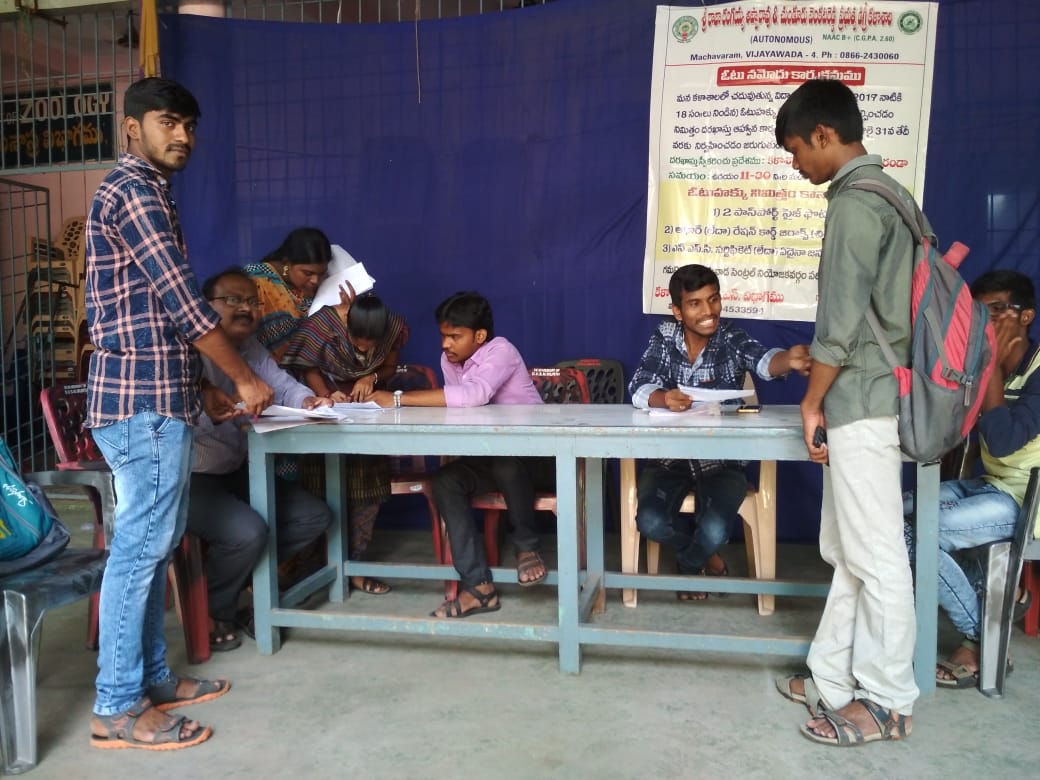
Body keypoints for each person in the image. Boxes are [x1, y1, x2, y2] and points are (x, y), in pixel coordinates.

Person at [84, 77, 273, 750]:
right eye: (168, 121)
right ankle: (116, 707)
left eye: (189, 125)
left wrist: (201, 390)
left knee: (154, 546)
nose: (183, 135)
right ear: (132, 127)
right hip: (140, 403)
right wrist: (243, 377)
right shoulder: (134, 191)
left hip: (158, 396)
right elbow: (185, 306)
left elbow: (153, 319)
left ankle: (155, 681)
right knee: (140, 552)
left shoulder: (151, 192)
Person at [772, 78, 919, 746]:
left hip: (860, 399)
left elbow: (839, 327)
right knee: (850, 550)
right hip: (872, 391)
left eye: (796, 149)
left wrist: (811, 400)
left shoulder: (857, 204)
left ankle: (887, 700)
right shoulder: (892, 195)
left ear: (824, 135)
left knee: (878, 556)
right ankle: (832, 677)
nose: (795, 163)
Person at [629, 263, 810, 599]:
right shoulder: (664, 337)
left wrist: (789, 359)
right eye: (695, 303)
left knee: (714, 530)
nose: (708, 311)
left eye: (713, 299)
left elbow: (763, 361)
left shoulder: (730, 336)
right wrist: (664, 398)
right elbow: (639, 386)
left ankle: (689, 565)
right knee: (650, 523)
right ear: (677, 311)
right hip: (669, 459)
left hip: (723, 462)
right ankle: (705, 557)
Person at [368, 291, 552, 618]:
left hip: (537, 456)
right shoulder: (450, 361)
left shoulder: (501, 350)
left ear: (479, 336)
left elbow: (473, 396)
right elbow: (457, 408)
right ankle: (478, 586)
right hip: (493, 454)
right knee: (445, 481)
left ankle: (527, 548)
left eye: (455, 336)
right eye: (443, 336)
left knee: (507, 464)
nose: (445, 344)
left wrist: (398, 398)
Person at [904, 270, 1039, 688]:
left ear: (1026, 316)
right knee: (896, 510)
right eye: (978, 314)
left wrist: (990, 364)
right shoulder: (979, 366)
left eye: (996, 311)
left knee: (919, 532)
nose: (986, 322)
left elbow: (1002, 441)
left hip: (1027, 501)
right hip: (991, 487)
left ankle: (982, 636)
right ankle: (997, 605)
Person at [189, 269, 334, 650]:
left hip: (233, 470)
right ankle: (214, 609)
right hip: (189, 475)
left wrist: (308, 401)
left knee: (314, 516)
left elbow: (281, 385)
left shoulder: (250, 346)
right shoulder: (188, 350)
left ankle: (242, 583)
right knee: (248, 533)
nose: (246, 309)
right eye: (233, 301)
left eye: (252, 302)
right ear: (205, 306)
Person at [279, 293, 409, 593]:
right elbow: (307, 366)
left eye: (370, 344)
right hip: (326, 411)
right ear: (346, 326)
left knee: (366, 487)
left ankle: (354, 566)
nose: (362, 348)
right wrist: (326, 395)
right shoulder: (322, 325)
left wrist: (370, 377)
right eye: (356, 340)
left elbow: (390, 367)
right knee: (320, 486)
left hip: (367, 413)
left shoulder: (393, 328)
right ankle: (315, 569)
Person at [243, 227, 337, 361]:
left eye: (321, 273)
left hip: (310, 366)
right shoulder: (256, 278)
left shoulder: (319, 286)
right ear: (287, 263)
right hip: (262, 365)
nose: (315, 280)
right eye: (308, 273)